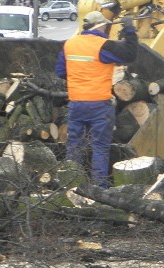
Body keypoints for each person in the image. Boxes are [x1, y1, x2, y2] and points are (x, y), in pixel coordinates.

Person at [56, 11, 138, 188]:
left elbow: (61, 72)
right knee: (100, 146)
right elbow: (130, 55)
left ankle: (71, 184)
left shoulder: (69, 44)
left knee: (74, 146)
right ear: (100, 26)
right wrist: (130, 31)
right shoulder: (103, 46)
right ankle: (99, 188)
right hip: (99, 104)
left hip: (76, 104)